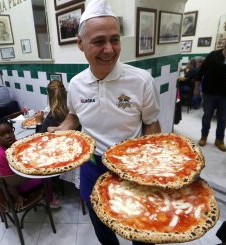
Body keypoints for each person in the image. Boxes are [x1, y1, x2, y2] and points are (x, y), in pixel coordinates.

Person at [47, 1, 160, 244]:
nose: (109, 49)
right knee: (101, 222)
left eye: (115, 39)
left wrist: (154, 166)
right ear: (80, 44)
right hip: (93, 165)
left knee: (140, 227)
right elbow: (74, 116)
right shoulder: (76, 84)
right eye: (99, 41)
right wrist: (59, 133)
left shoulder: (141, 81)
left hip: (132, 168)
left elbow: (151, 123)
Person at [0, 119, 61, 209]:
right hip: (18, 186)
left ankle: (47, 192)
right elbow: (8, 181)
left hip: (25, 175)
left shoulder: (15, 142)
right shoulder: (1, 156)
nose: (8, 136)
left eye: (9, 132)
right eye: (2, 135)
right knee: (46, 176)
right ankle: (49, 200)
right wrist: (17, 197)